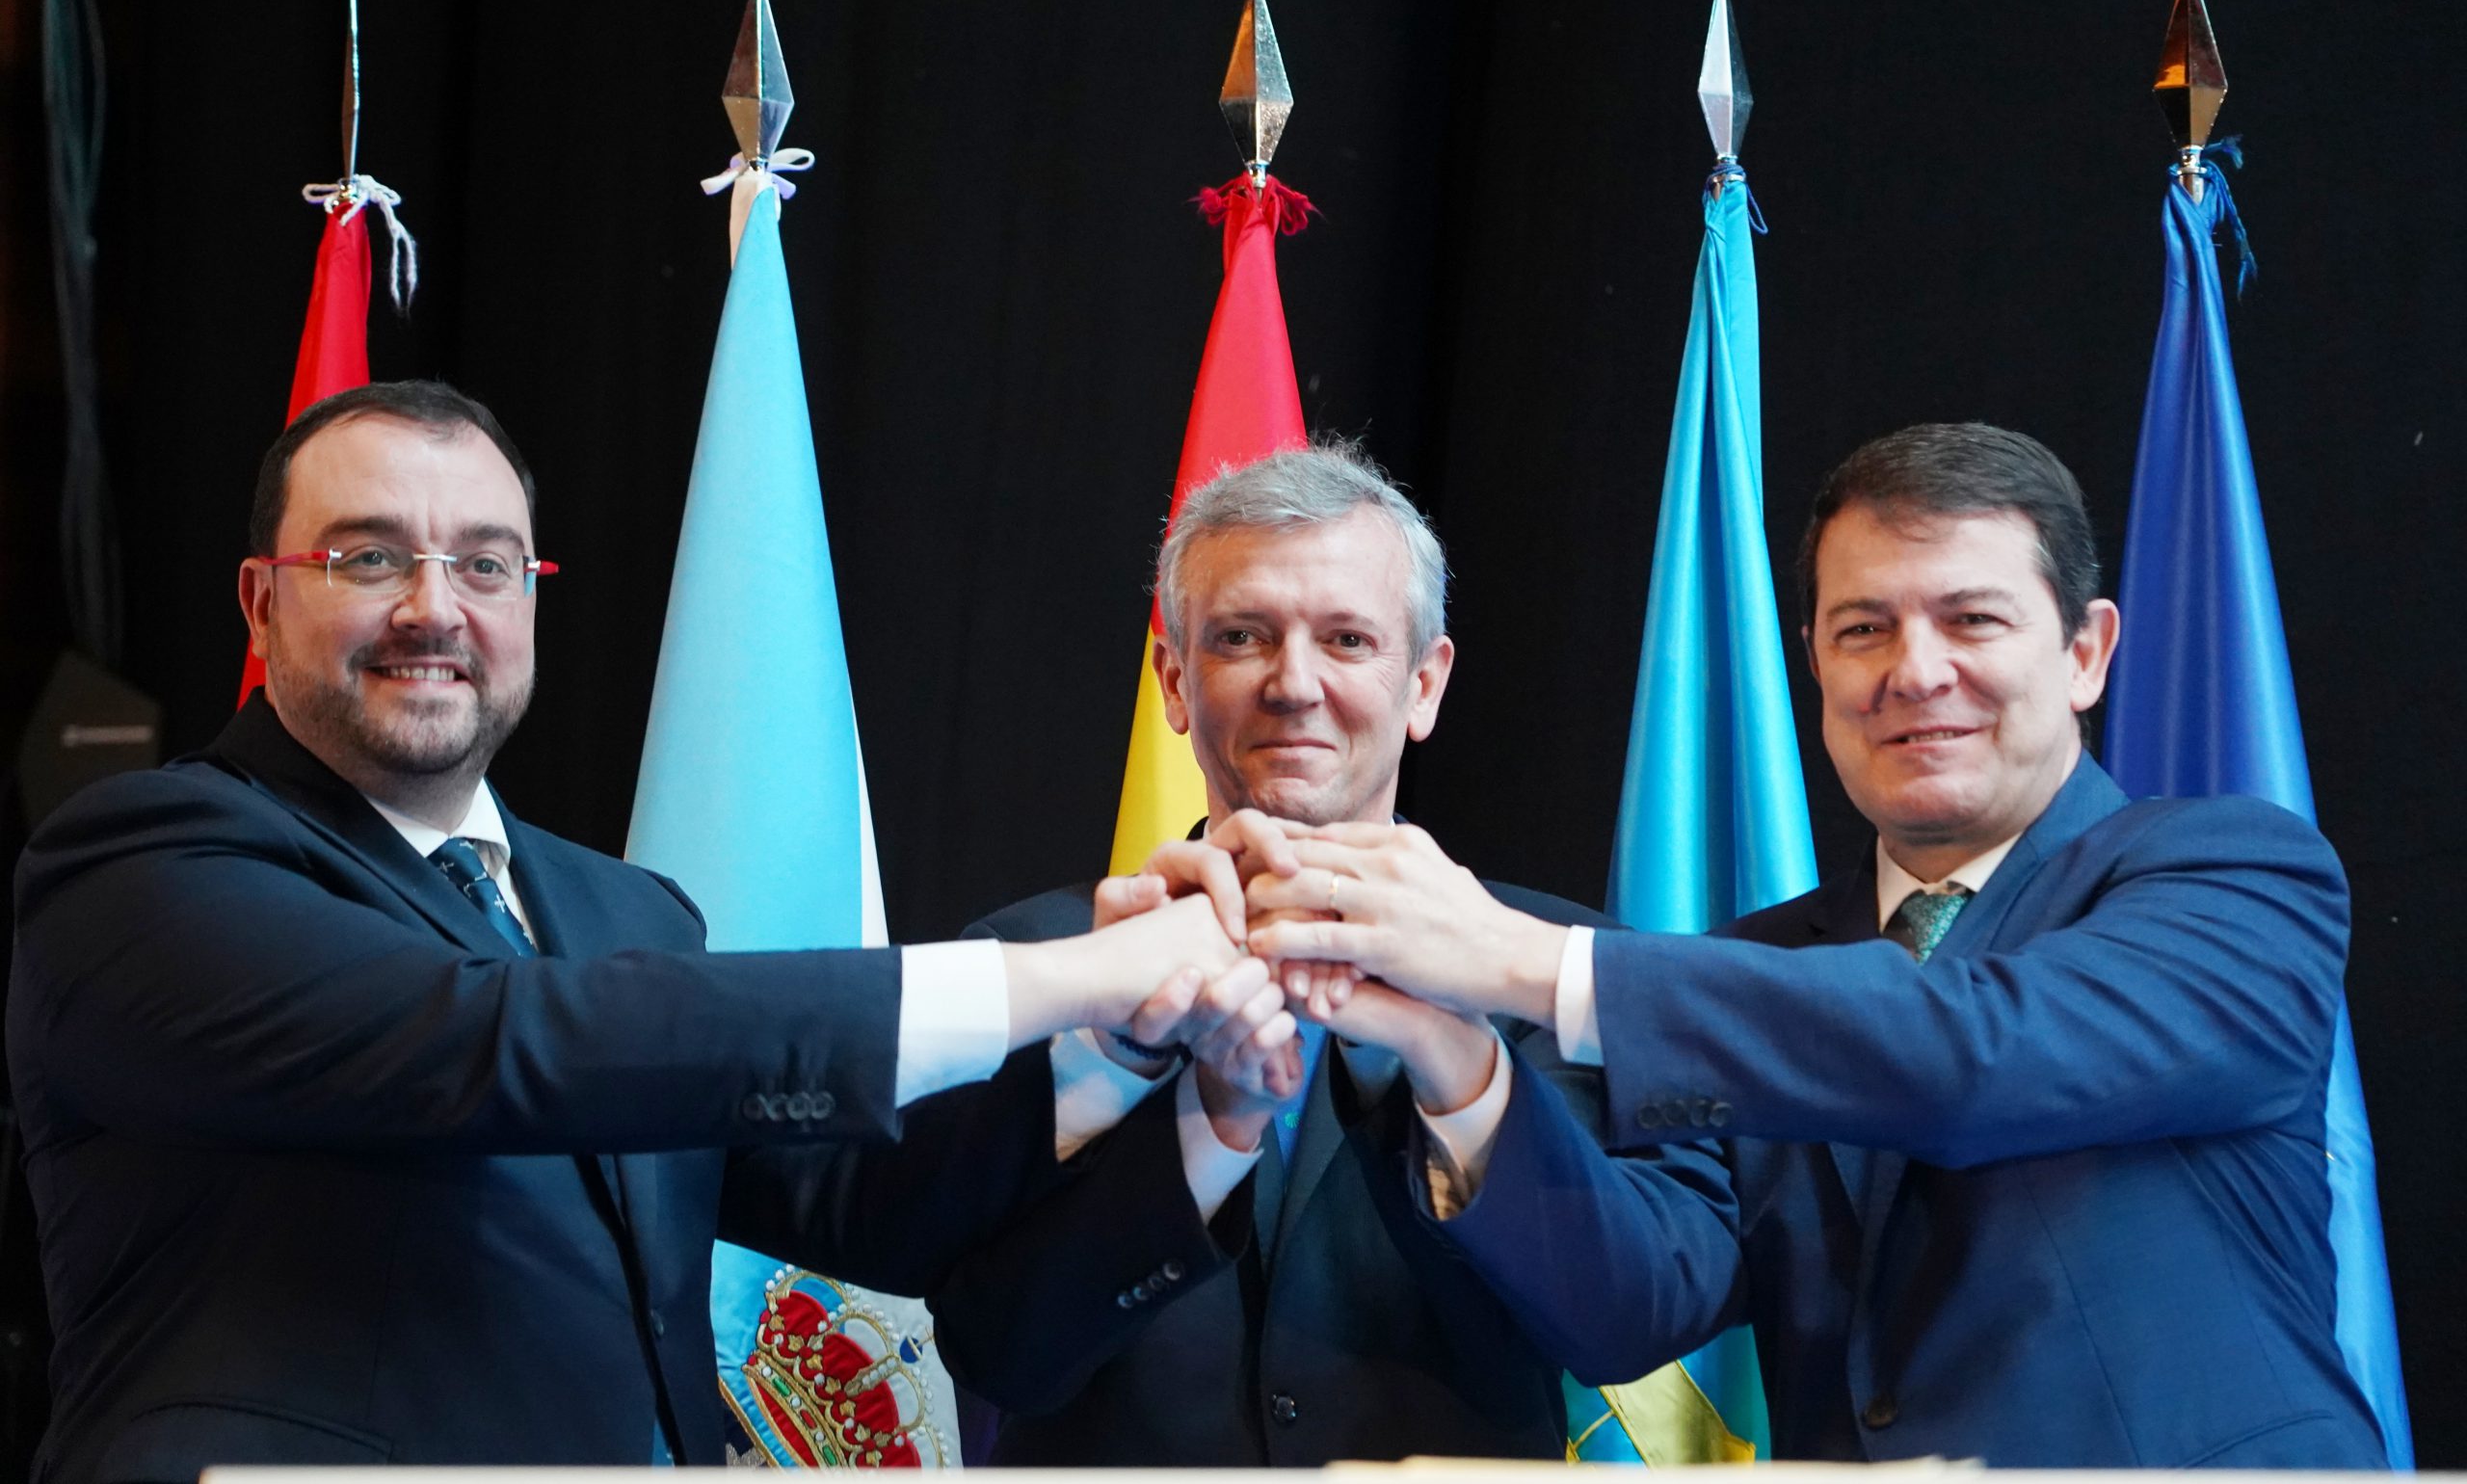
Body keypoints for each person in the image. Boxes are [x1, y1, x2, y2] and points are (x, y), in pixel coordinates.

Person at [7, 381, 1267, 1483]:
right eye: (369, 557)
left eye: (488, 563)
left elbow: (860, 1193)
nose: (434, 607)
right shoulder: (144, 867)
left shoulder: (624, 909)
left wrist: (1133, 1051)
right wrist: (1050, 976)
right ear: (261, 601)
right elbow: (492, 1041)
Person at [1245, 422, 2388, 1468]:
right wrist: (1458, 1060)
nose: (1915, 671)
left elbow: (1974, 1054)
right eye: (1864, 629)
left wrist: (1528, 962)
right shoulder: (1758, 967)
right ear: (1816, 662)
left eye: (1972, 618)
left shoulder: (2236, 874)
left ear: (2086, 652)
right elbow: (1626, 1309)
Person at [925, 441, 1678, 1465]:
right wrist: (1203, 1128)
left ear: (1423, 685)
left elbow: (1621, 1329)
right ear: (1174, 681)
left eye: (1346, 639)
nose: (1294, 683)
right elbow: (997, 1353)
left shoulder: (1561, 975)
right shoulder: (1033, 962)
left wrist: (1464, 1072)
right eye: (1242, 636)